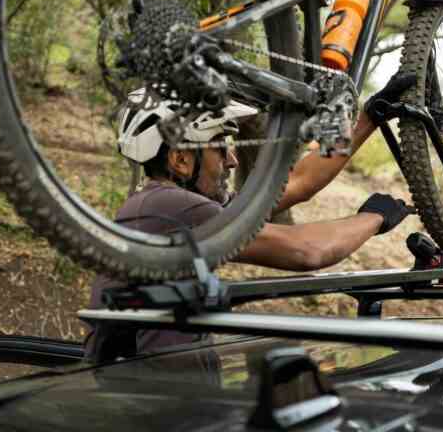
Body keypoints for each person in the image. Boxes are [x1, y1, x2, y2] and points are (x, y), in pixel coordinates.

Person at [85, 74, 415, 359]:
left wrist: (369, 118)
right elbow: (305, 250)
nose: (231, 160)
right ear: (181, 160)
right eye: (219, 146)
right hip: (157, 404)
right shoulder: (172, 207)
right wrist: (374, 218)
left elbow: (298, 183)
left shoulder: (163, 206)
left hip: (156, 396)